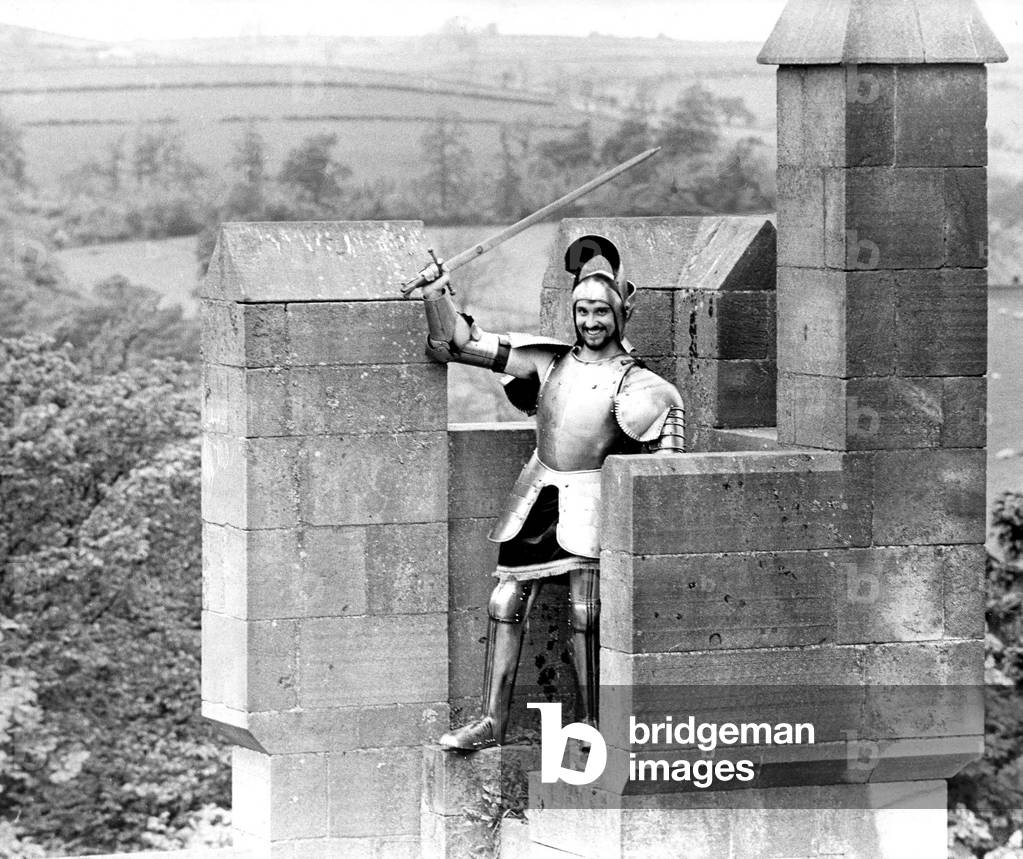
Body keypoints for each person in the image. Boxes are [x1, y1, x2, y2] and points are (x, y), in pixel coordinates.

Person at [420, 234, 686, 752]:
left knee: (586, 612)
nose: (590, 322)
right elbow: (458, 345)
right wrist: (437, 294)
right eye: (583, 311)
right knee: (505, 599)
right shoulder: (549, 362)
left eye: (600, 312)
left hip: (592, 504)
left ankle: (591, 727)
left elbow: (665, 480)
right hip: (537, 494)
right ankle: (490, 723)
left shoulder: (645, 387)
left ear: (620, 315)